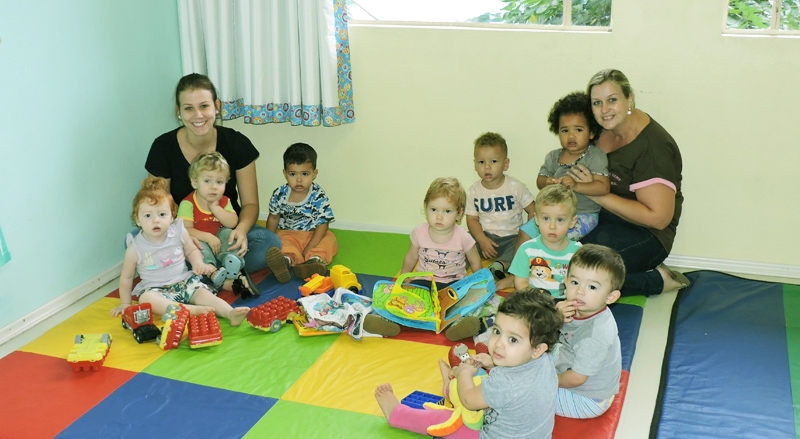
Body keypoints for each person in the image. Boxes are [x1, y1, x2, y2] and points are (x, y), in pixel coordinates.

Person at [374, 288, 562, 439]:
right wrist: (492, 363)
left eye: (513, 340)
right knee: (479, 383)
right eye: (497, 331)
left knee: (444, 418)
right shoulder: (544, 359)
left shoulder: (506, 382)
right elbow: (521, 383)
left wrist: (464, 372)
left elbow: (470, 401)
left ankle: (397, 414)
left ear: (537, 348)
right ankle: (451, 387)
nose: (498, 343)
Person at [145, 73, 282, 281]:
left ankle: (207, 271)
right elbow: (156, 207)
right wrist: (189, 237)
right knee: (142, 244)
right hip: (183, 233)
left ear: (216, 106)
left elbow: (251, 204)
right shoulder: (162, 148)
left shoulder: (237, 143)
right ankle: (221, 271)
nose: (198, 115)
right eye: (189, 108)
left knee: (268, 242)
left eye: (204, 106)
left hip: (227, 232)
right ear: (178, 112)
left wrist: (242, 231)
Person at [577, 69, 688, 296]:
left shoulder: (652, 148)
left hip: (646, 235)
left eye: (612, 100)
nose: (604, 110)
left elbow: (658, 218)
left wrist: (596, 193)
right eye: (597, 103)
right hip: (604, 219)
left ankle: (656, 280)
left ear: (630, 99)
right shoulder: (601, 129)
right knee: (550, 254)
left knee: (577, 270)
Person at [110, 177, 250, 326]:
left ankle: (229, 313)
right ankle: (189, 310)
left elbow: (191, 250)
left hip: (184, 282)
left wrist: (197, 263)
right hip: (156, 289)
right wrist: (125, 303)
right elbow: (126, 278)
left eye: (162, 214)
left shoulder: (178, 231)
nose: (155, 220)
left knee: (204, 294)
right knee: (146, 300)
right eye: (148, 215)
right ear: (137, 220)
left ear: (172, 216)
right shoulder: (135, 247)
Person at [363, 177, 484, 339]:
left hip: (453, 284)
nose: (439, 217)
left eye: (447, 211)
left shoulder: (463, 237)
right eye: (434, 210)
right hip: (423, 281)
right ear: (426, 208)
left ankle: (457, 325)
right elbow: (411, 257)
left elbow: (475, 262)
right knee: (407, 303)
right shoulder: (419, 232)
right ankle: (389, 321)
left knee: (458, 305)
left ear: (459, 214)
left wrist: (480, 284)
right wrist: (403, 278)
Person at [518, 92, 608, 246]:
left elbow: (603, 186)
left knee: (555, 238)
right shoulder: (553, 157)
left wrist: (577, 185)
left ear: (592, 132)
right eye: (565, 130)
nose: (571, 136)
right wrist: (548, 182)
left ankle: (554, 269)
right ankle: (518, 269)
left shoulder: (595, 156)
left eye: (578, 130)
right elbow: (540, 181)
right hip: (553, 213)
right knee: (525, 231)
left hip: (583, 215)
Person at [554, 244, 624, 418]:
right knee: (535, 350)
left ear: (610, 297)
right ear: (566, 281)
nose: (580, 291)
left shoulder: (596, 334)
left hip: (586, 399)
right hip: (571, 360)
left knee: (526, 390)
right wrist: (554, 317)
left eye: (592, 287)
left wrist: (547, 381)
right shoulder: (574, 307)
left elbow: (577, 378)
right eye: (575, 282)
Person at [177, 151, 259, 298]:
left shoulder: (224, 201)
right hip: (200, 238)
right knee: (196, 248)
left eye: (219, 182)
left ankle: (233, 265)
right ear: (195, 182)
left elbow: (233, 222)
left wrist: (216, 209)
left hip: (219, 238)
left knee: (229, 234)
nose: (214, 187)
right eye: (208, 181)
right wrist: (208, 237)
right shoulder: (187, 203)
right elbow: (186, 230)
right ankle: (212, 270)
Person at [465, 132, 535, 289]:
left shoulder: (514, 186)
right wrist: (481, 238)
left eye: (494, 161)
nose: (487, 167)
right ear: (475, 164)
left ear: (505, 164)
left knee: (522, 249)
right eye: (481, 162)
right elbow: (472, 219)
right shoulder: (474, 191)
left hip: (511, 237)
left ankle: (499, 266)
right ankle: (456, 269)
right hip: (485, 237)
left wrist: (529, 235)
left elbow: (533, 210)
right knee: (465, 242)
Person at [266, 143, 337, 283]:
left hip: (313, 234)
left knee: (329, 239)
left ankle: (314, 261)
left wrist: (310, 246)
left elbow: (323, 224)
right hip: (290, 234)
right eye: (293, 174)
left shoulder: (318, 195)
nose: (299, 180)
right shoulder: (279, 194)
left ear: (314, 174)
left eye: (304, 174)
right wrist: (269, 240)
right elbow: (273, 218)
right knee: (283, 243)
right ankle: (284, 262)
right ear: (285, 173)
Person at [509, 185, 582, 298]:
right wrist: (539, 302)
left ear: (572, 222)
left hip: (566, 304)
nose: (552, 226)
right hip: (535, 303)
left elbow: (581, 284)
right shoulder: (527, 249)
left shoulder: (578, 252)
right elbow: (520, 283)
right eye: (546, 218)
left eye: (560, 220)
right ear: (537, 219)